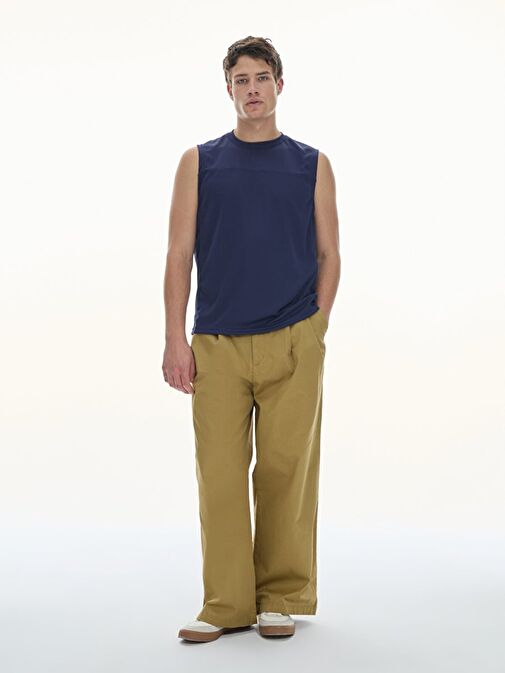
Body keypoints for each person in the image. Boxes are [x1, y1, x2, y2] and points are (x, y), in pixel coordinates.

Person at [162, 35, 341, 642]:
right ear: (229, 90)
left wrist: (315, 327)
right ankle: (225, 603)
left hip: (293, 337)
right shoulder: (199, 162)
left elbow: (329, 253)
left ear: (280, 85)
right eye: (241, 80)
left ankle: (279, 597)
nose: (253, 89)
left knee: (287, 471)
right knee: (219, 474)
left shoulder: (311, 164)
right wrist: (174, 338)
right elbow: (178, 254)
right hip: (217, 343)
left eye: (262, 77)